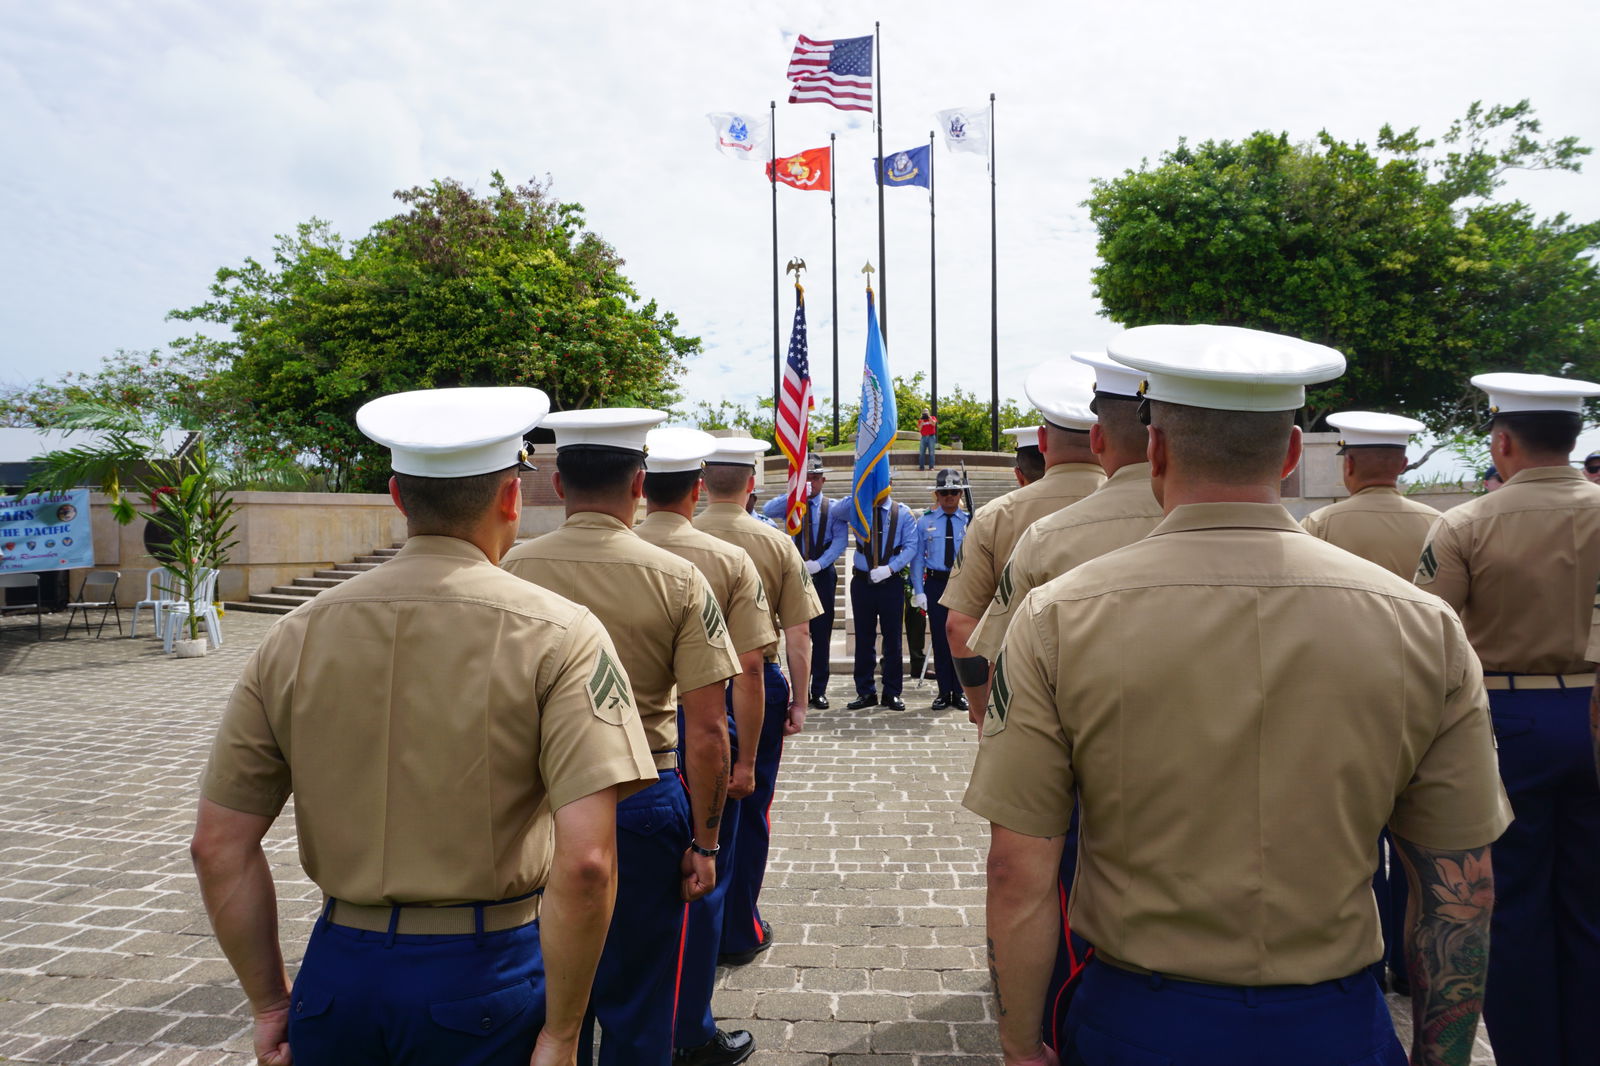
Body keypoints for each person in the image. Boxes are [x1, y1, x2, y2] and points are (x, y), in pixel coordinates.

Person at [969, 325, 1510, 1066]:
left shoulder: (1060, 613)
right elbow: (1459, 885)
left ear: (1155, 450)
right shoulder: (1424, 624)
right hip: (1337, 1020)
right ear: (1291, 457)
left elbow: (1018, 870)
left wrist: (1020, 1043)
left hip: (1138, 1017)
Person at [190, 386, 659, 1066]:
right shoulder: (563, 634)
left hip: (337, 976)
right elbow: (587, 863)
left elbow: (217, 846)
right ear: (510, 497)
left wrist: (269, 1004)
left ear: (399, 497)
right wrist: (561, 1033)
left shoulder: (294, 635)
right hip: (488, 974)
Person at [501, 408, 740, 1066]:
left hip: (535, 800)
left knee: (541, 997)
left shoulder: (512, 570)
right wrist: (707, 839)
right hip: (640, 795)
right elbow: (709, 729)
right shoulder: (679, 578)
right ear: (639, 483)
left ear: (555, 482)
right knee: (640, 1001)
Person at [967, 350, 1164, 1050]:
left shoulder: (1039, 536)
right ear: (1291, 451)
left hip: (1077, 756)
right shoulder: (1392, 607)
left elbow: (971, 634)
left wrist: (995, 721)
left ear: (1098, 436)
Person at [1415, 371, 1600, 1066]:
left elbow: (1429, 633)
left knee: (1514, 907)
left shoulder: (1465, 523)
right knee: (1591, 903)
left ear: (1502, 440)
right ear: (1573, 437)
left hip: (1510, 716)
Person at [636, 427, 773, 1066]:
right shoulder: (723, 560)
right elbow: (747, 669)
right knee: (698, 886)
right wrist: (742, 762)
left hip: (577, 757)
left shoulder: (549, 559)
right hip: (679, 747)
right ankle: (689, 1028)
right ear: (696, 489)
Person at [1298, 411, 1441, 996]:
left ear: (1348, 465)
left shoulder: (1320, 525)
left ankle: (1372, 956)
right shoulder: (1439, 524)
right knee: (1420, 841)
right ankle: (1413, 966)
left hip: (1344, 701)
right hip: (1423, 697)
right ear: (1404, 464)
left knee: (1360, 838)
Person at [696, 437, 824, 966]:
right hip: (756, 682)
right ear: (753, 483)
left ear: (702, 482)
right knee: (749, 813)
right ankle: (738, 927)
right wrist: (798, 700)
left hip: (687, 688)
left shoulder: (676, 536)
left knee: (694, 811)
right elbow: (799, 634)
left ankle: (695, 927)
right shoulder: (775, 543)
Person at [943, 367, 1105, 721]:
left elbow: (960, 626)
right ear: (1099, 437)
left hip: (1023, 700)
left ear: (1044, 441)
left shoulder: (994, 517)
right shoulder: (1154, 505)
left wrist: (981, 707)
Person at [762, 455, 848, 709]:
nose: (811, 481)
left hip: (822, 573)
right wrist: (794, 494)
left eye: (814, 477)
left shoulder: (833, 508)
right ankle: (798, 686)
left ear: (824, 480)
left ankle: (818, 689)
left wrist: (820, 563)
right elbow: (768, 510)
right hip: (794, 573)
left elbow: (840, 540)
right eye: (806, 477)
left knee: (821, 635)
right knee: (796, 632)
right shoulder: (793, 504)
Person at [845, 478, 919, 711]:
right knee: (864, 639)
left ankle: (891, 692)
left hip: (890, 583)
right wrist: (858, 493)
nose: (878, 489)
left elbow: (911, 546)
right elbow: (836, 510)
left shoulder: (903, 514)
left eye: (882, 484)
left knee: (893, 639)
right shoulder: (858, 510)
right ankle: (865, 691)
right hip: (862, 582)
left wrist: (891, 567)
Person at [908, 469, 970, 710]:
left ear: (960, 494)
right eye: (944, 492)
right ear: (937, 494)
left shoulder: (970, 521)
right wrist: (919, 589)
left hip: (962, 583)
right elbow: (918, 560)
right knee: (941, 639)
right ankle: (945, 691)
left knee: (962, 639)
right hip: (935, 583)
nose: (949, 497)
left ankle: (961, 691)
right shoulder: (925, 521)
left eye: (954, 492)